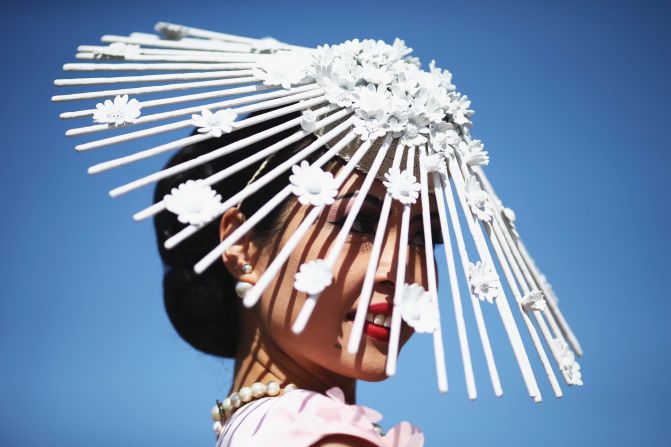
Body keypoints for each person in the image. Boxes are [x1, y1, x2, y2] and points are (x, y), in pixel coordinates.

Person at [154, 112, 430, 446]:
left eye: (425, 237)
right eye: (358, 223)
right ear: (241, 246)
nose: (401, 270)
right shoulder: (324, 438)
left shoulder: (257, 430)